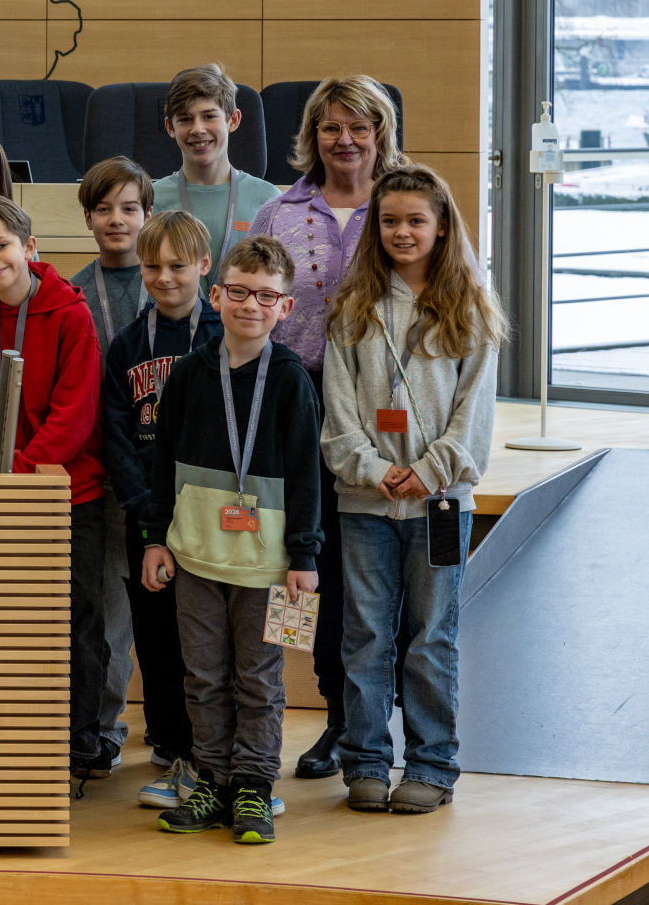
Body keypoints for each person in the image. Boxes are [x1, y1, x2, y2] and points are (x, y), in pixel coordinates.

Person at [321, 165, 503, 815]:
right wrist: (373, 470)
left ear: (442, 226)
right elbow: (338, 417)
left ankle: (432, 765)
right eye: (390, 220)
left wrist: (428, 471)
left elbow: (473, 420)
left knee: (431, 638)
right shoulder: (352, 309)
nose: (402, 231)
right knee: (366, 635)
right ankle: (366, 762)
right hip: (365, 506)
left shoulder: (471, 311)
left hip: (440, 507)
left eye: (415, 220)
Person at [247, 73, 406, 781]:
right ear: (312, 136)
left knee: (365, 575)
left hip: (379, 409)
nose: (344, 140)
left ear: (380, 134)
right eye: (330, 127)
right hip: (295, 401)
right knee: (303, 570)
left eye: (358, 127)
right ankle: (327, 715)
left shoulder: (407, 204)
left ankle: (361, 721)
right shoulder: (279, 212)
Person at [142, 235, 323, 845]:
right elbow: (161, 461)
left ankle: (253, 785)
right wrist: (155, 539)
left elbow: (306, 475)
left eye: (266, 296)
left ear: (286, 308)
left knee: (259, 678)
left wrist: (304, 555)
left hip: (268, 567)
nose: (250, 305)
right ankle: (213, 780)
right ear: (216, 295)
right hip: (194, 556)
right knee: (203, 676)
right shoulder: (192, 374)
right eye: (239, 292)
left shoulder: (293, 380)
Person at [0, 195, 108, 779]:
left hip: (67, 493)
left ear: (30, 247)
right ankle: (8, 738)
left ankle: (78, 741)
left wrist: (24, 473)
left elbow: (75, 412)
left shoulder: (69, 312)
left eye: (2, 246)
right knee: (1, 621)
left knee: (77, 622)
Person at [99, 210, 223, 808]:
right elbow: (117, 439)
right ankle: (173, 746)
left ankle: (215, 750)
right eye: (153, 266)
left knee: (209, 640)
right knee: (155, 639)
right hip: (148, 519)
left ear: (204, 265)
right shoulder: (127, 344)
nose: (165, 277)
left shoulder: (225, 336)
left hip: (211, 520)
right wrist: (145, 510)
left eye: (178, 265)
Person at [69, 155, 153, 774]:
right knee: (102, 607)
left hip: (157, 473)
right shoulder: (71, 290)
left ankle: (156, 730)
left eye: (129, 208)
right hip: (97, 468)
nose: (116, 220)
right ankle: (98, 727)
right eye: (104, 209)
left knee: (149, 612)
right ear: (89, 217)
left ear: (149, 214)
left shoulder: (170, 284)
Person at [153, 64, 280, 291]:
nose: (198, 129)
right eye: (185, 119)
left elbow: (277, 280)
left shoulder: (267, 199)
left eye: (209, 116)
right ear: (169, 127)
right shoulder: (152, 199)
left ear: (233, 120)